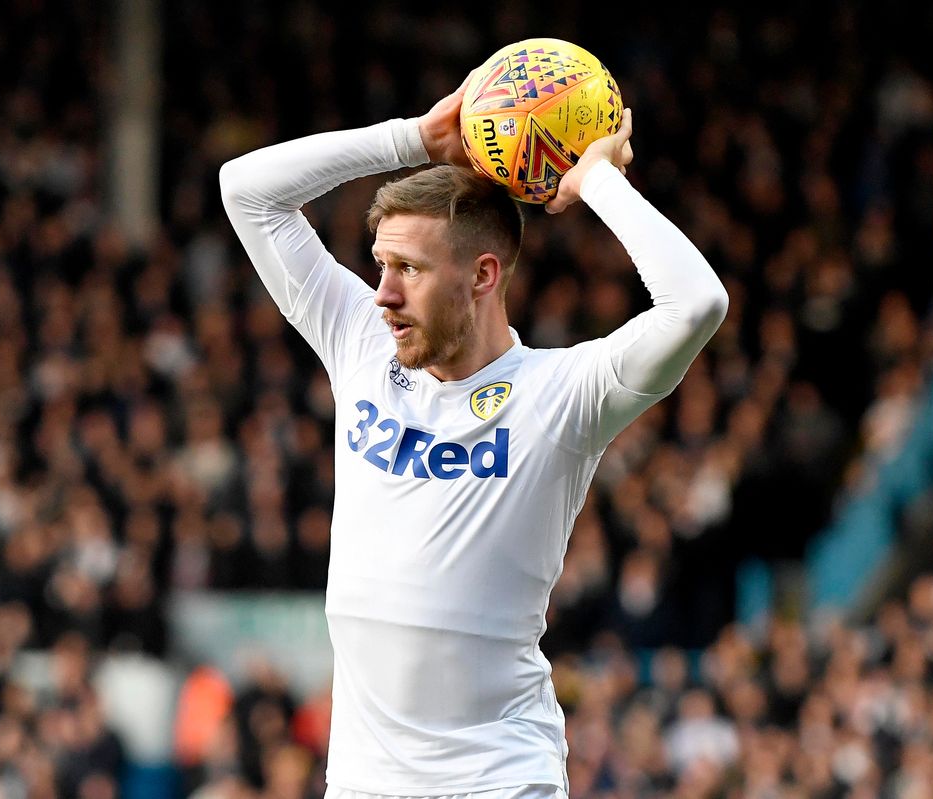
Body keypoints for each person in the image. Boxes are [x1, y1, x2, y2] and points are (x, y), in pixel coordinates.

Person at [218, 75, 728, 799]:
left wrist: (598, 181)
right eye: (381, 265)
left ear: (484, 275)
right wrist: (410, 139)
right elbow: (245, 188)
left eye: (410, 270)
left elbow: (697, 303)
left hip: (496, 778)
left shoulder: (563, 395)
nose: (383, 294)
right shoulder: (359, 343)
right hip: (365, 782)